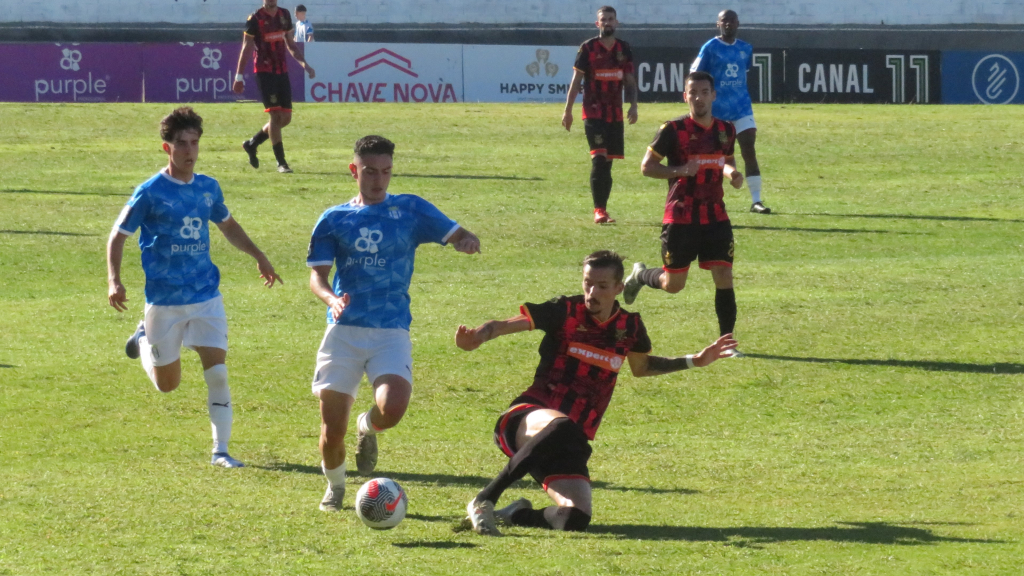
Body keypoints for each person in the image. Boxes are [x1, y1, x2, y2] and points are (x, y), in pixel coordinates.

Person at [457, 250, 736, 535]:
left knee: (574, 517)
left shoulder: (630, 327)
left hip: (569, 440)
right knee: (561, 425)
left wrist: (695, 361)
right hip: (526, 419)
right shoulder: (564, 311)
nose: (592, 292)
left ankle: (516, 514)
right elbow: (501, 326)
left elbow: (642, 367)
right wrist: (477, 337)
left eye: (602, 286)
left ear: (618, 288)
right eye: (588, 283)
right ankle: (484, 500)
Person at [307, 135, 481, 512]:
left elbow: (457, 233)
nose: (378, 180)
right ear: (354, 170)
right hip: (344, 331)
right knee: (330, 430)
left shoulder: (411, 210)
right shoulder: (333, 219)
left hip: (391, 330)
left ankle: (366, 428)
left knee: (394, 408)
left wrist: (467, 241)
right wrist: (332, 299)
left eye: (385, 171)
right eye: (370, 171)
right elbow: (317, 276)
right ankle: (335, 488)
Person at [106, 107, 282, 468]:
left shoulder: (207, 187)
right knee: (167, 385)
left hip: (206, 296)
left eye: (195, 143)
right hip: (164, 302)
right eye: (182, 144)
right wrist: (114, 280)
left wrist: (258, 255)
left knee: (217, 372)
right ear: (166, 148)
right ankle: (142, 340)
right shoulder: (149, 193)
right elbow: (118, 236)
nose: (190, 151)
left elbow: (228, 226)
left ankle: (221, 451)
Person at [623, 71, 744, 350]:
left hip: (716, 215)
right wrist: (679, 170)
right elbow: (646, 167)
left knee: (724, 276)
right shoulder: (672, 130)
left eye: (704, 92)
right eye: (693, 92)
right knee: (674, 284)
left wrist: (731, 173)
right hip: (681, 216)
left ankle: (727, 343)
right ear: (685, 96)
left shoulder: (726, 130)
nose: (698, 97)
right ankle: (641, 276)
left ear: (713, 95)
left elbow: (725, 159)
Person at [562, 5, 638, 224]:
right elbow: (576, 82)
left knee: (608, 163)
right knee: (599, 158)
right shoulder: (587, 48)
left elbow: (630, 81)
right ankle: (599, 211)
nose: (607, 22)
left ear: (616, 23)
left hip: (615, 114)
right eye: (603, 19)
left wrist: (633, 105)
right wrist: (568, 111)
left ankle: (603, 210)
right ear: (598, 24)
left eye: (610, 19)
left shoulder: (624, 48)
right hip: (593, 112)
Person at [691, 9, 771, 214]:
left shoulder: (746, 48)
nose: (728, 24)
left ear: (738, 24)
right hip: (717, 111)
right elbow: (695, 73)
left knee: (749, 150)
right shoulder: (710, 47)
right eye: (724, 21)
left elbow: (742, 75)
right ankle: (712, 199)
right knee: (715, 156)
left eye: (732, 21)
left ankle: (757, 200)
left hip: (742, 108)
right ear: (718, 24)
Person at [232, 0, 316, 173]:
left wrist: (304, 64)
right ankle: (281, 163)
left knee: (285, 119)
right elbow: (247, 47)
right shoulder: (255, 18)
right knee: (275, 116)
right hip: (264, 72)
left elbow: (290, 44)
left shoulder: (284, 15)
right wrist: (239, 76)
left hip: (281, 71)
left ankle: (252, 143)